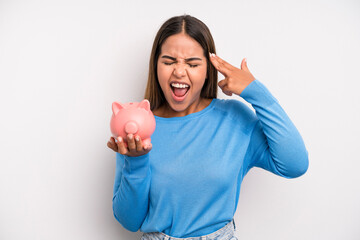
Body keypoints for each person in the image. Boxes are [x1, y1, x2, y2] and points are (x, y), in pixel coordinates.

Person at [107, 14, 309, 240]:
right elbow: (129, 221)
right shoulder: (137, 129)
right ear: (156, 66)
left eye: (192, 64)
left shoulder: (234, 119)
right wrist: (136, 162)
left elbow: (295, 164)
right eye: (168, 61)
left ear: (207, 70)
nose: (179, 72)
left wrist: (255, 92)